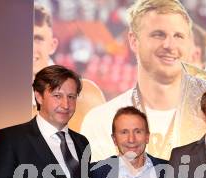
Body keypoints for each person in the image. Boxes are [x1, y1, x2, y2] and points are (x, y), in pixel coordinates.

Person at [81, 0, 194, 162]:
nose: (170, 45)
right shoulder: (102, 120)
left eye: (178, 36)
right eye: (158, 35)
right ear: (134, 41)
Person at [33, 4, 105, 132]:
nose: (30, 47)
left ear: (52, 45)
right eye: (23, 38)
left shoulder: (87, 95)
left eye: (38, 39)